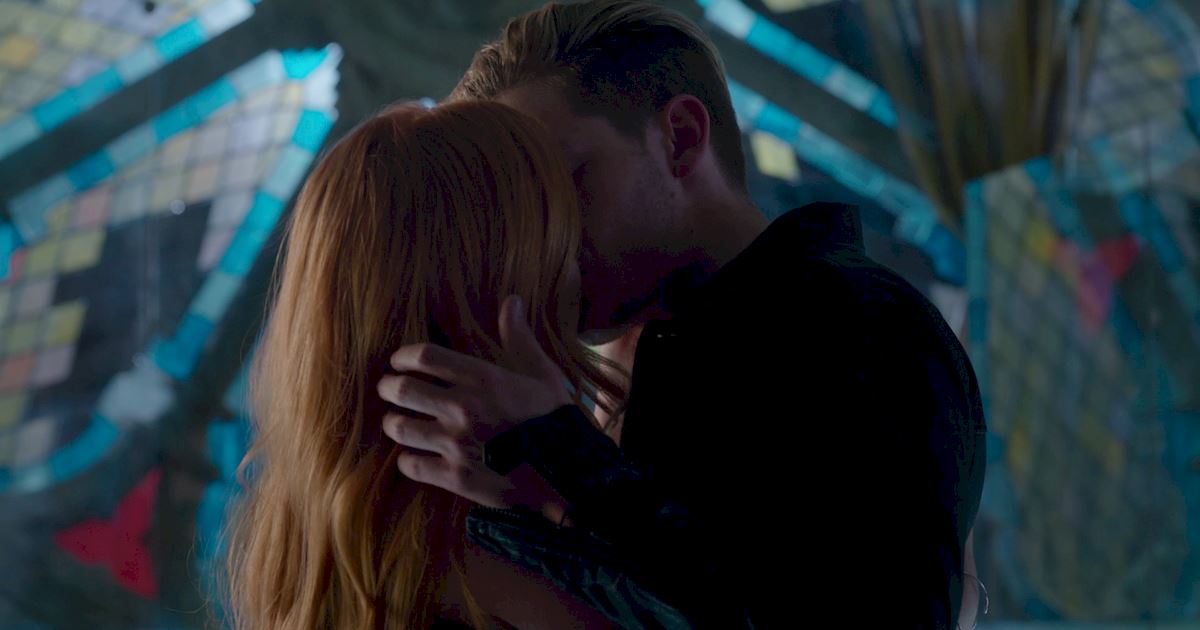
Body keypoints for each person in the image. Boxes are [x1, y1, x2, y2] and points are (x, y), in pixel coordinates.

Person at [375, 1, 988, 628]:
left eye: (565, 184)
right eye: (523, 212)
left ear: (682, 138)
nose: (542, 240)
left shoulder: (861, 328)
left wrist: (564, 473)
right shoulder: (651, 365)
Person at [223, 99, 629, 629]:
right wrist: (576, 474)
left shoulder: (308, 547)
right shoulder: (504, 583)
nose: (581, 268)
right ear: (509, 295)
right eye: (564, 241)